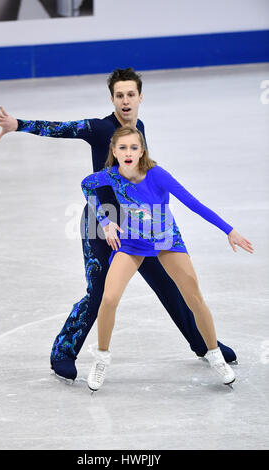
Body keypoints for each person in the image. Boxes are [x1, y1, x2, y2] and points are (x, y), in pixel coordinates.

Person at [0, 67, 237, 383]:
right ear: (112, 99)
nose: (125, 101)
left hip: (138, 225)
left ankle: (203, 343)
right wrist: (18, 125)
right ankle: (63, 351)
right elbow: (62, 128)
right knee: (98, 294)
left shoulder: (140, 128)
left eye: (130, 95)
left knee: (168, 284)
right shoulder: (98, 128)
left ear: (139, 98)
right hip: (100, 222)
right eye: (119, 95)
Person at [81, 126, 254, 391]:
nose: (128, 153)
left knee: (193, 297)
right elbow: (86, 185)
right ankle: (102, 357)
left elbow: (192, 203)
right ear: (114, 151)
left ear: (142, 151)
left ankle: (214, 354)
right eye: (123, 148)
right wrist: (105, 222)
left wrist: (228, 230)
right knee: (109, 297)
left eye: (134, 148)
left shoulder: (156, 175)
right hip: (132, 242)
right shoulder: (111, 176)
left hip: (165, 239)